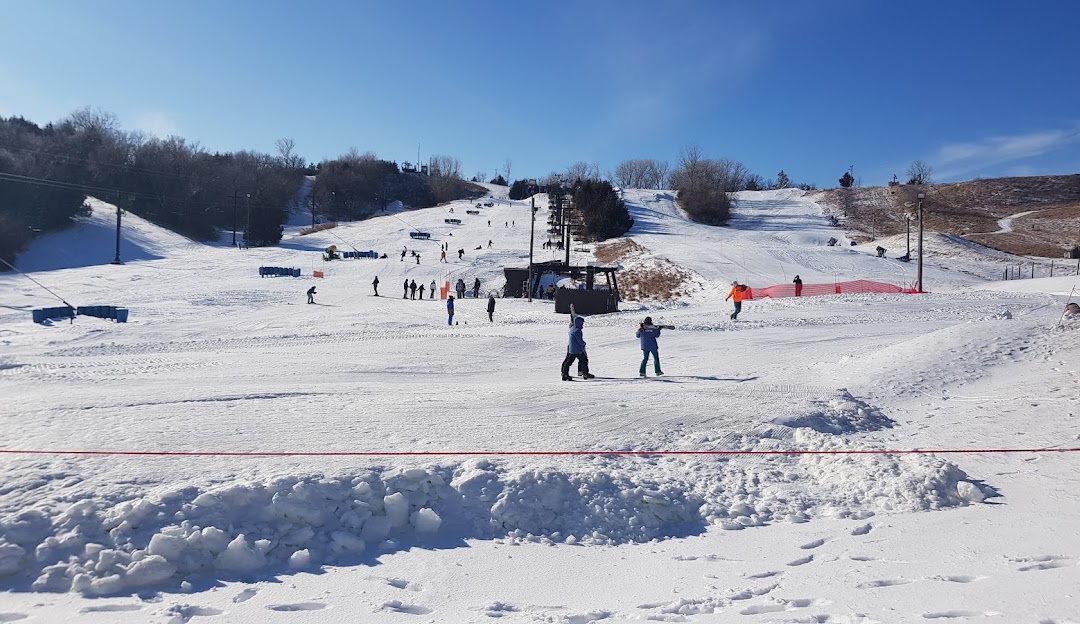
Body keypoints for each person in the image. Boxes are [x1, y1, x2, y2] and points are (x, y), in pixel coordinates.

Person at [560, 304, 591, 381]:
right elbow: (579, 341)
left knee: (568, 362)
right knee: (584, 360)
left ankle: (564, 374)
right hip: (577, 349)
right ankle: (584, 373)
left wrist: (572, 309)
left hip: (571, 349)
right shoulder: (578, 331)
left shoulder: (572, 328)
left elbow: (573, 316)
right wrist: (584, 344)